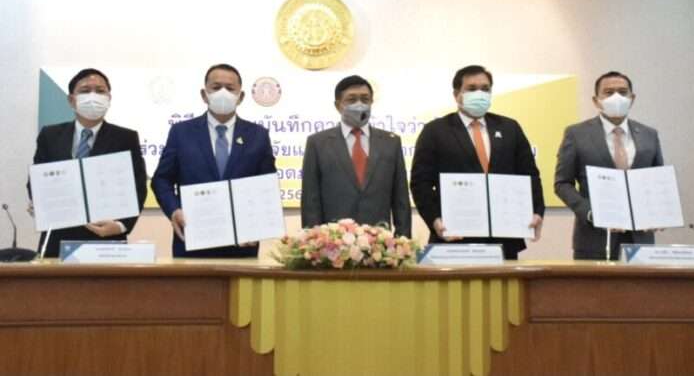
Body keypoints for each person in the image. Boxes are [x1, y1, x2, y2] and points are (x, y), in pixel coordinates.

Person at [410, 65, 544, 259]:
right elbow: (420, 183)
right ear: (457, 95)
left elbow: (530, 174)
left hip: (504, 238)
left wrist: (537, 210)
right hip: (454, 237)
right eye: (472, 89)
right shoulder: (435, 131)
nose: (479, 94)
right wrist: (435, 220)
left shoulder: (510, 128)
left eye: (485, 89)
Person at [151, 63, 276, 258]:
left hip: (242, 244)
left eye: (230, 88)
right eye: (216, 87)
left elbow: (266, 186)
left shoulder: (258, 135)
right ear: (204, 94)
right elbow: (161, 179)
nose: (223, 93)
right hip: (191, 240)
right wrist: (174, 210)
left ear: (241, 96)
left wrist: (258, 224)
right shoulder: (181, 132)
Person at [29, 68, 147, 257]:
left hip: (106, 239)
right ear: (71, 100)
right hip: (56, 238)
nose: (93, 96)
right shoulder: (50, 135)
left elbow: (138, 186)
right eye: (85, 90)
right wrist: (38, 200)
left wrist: (121, 225)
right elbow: (36, 180)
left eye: (100, 91)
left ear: (109, 98)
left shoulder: (125, 138)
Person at [555, 71, 663, 260]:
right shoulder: (576, 134)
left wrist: (657, 212)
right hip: (594, 239)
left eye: (622, 92)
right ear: (596, 100)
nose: (616, 97)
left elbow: (658, 180)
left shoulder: (649, 134)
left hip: (641, 239)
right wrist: (590, 213)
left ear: (632, 98)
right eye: (609, 92)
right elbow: (562, 183)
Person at [301, 76, 411, 237]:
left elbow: (401, 198)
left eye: (365, 99)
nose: (359, 104)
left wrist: (403, 239)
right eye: (351, 100)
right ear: (338, 105)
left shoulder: (390, 142)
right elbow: (310, 200)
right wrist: (313, 240)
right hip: (333, 242)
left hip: (379, 241)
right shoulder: (318, 143)